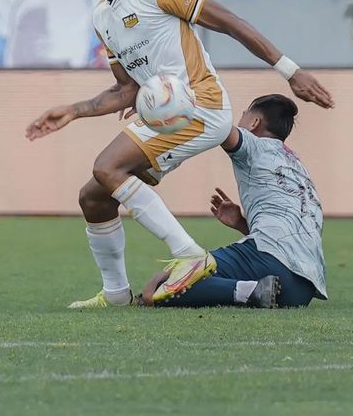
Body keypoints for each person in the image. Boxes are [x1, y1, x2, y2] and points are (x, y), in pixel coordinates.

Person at [25, 0, 333, 308]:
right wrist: (73, 111)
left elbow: (232, 24)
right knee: (94, 196)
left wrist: (289, 70)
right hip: (167, 115)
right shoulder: (102, 18)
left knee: (107, 166)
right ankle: (118, 295)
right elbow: (127, 90)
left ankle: (189, 254)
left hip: (202, 105)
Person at [139, 94, 327, 309]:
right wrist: (241, 223)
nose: (240, 120)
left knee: (161, 287)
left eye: (244, 115)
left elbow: (217, 125)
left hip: (270, 261)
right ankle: (252, 291)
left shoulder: (255, 145)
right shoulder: (296, 164)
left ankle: (249, 290)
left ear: (255, 123)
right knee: (196, 281)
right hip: (300, 291)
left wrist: (171, 102)